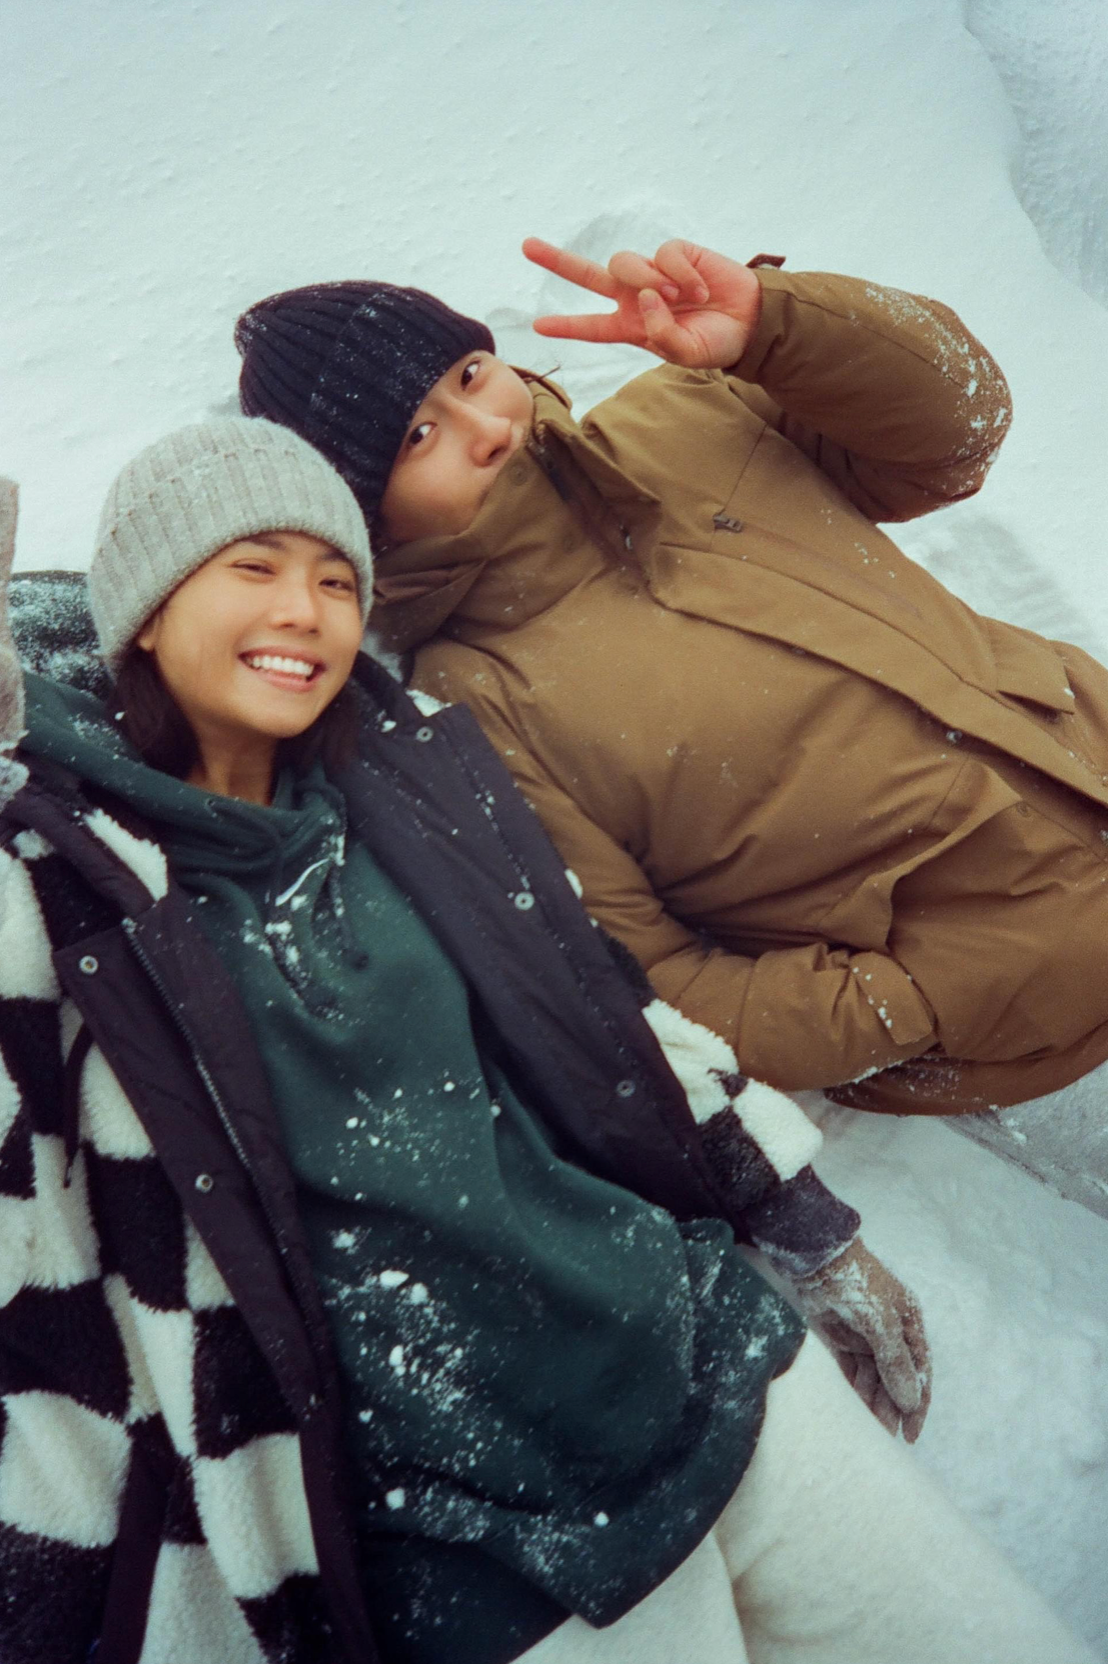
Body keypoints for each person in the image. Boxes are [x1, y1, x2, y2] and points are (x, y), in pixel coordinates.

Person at [0, 432, 1093, 1664]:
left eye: (336, 579)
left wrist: (797, 1217)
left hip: (691, 1352)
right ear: (147, 609)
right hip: (454, 1538)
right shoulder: (59, 878)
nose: (304, 611)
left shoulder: (400, 775)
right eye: (252, 567)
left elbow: (604, 1009)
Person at [233, 240, 1108, 1216]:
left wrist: (774, 324)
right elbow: (661, 990)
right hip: (1046, 1028)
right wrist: (924, 997)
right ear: (366, 513)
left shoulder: (690, 413)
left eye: (471, 375)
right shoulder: (476, 704)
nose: (486, 427)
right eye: (420, 436)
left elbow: (959, 429)